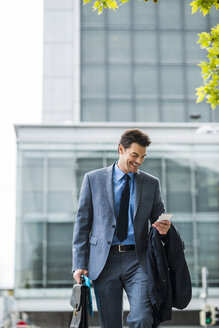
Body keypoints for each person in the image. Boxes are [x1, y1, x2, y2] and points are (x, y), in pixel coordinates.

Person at [72, 129, 171, 328]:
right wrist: (79, 263)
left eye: (143, 157)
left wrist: (164, 227)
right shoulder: (93, 179)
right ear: (121, 150)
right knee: (110, 324)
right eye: (134, 155)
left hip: (138, 260)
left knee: (143, 317)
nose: (139, 161)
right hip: (103, 261)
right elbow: (82, 223)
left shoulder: (151, 183)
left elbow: (159, 216)